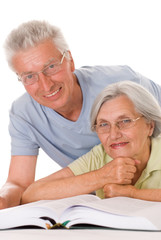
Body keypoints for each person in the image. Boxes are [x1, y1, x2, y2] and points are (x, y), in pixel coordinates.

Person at [1, 20, 161, 209]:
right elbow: (21, 186)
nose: (46, 85)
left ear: (70, 60)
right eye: (29, 76)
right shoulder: (24, 115)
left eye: (51, 67)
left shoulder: (123, 83)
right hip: (103, 201)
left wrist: (136, 193)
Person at [21, 81, 161, 203]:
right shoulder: (99, 156)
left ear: (150, 126)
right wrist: (102, 176)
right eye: (104, 124)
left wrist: (132, 194)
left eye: (125, 121)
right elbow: (31, 195)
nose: (113, 134)